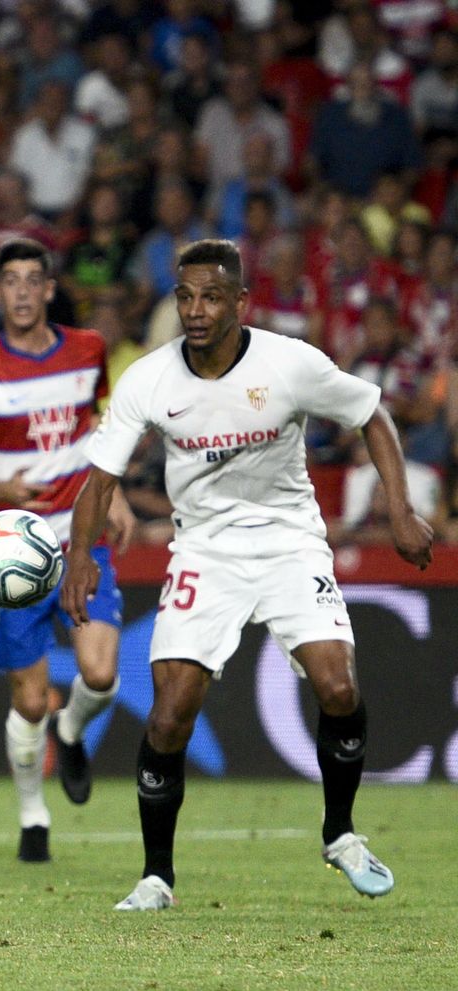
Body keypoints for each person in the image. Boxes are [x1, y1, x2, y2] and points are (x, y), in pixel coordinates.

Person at [61, 239, 434, 911]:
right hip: (205, 552)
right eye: (185, 297)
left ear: (240, 301)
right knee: (168, 716)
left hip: (291, 544)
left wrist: (401, 510)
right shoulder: (149, 379)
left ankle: (340, 833)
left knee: (339, 686)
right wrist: (80, 555)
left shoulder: (289, 363)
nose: (195, 311)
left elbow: (371, 415)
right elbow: (100, 481)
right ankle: (156, 877)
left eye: (211, 297)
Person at [0, 238, 135, 864]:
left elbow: (100, 431)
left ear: (50, 289)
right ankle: (33, 815)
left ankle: (73, 728)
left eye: (34, 279)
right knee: (29, 701)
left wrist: (115, 495)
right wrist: (3, 491)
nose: (23, 291)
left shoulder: (88, 351)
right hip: (10, 556)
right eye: (12, 280)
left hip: (79, 539)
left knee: (101, 675)